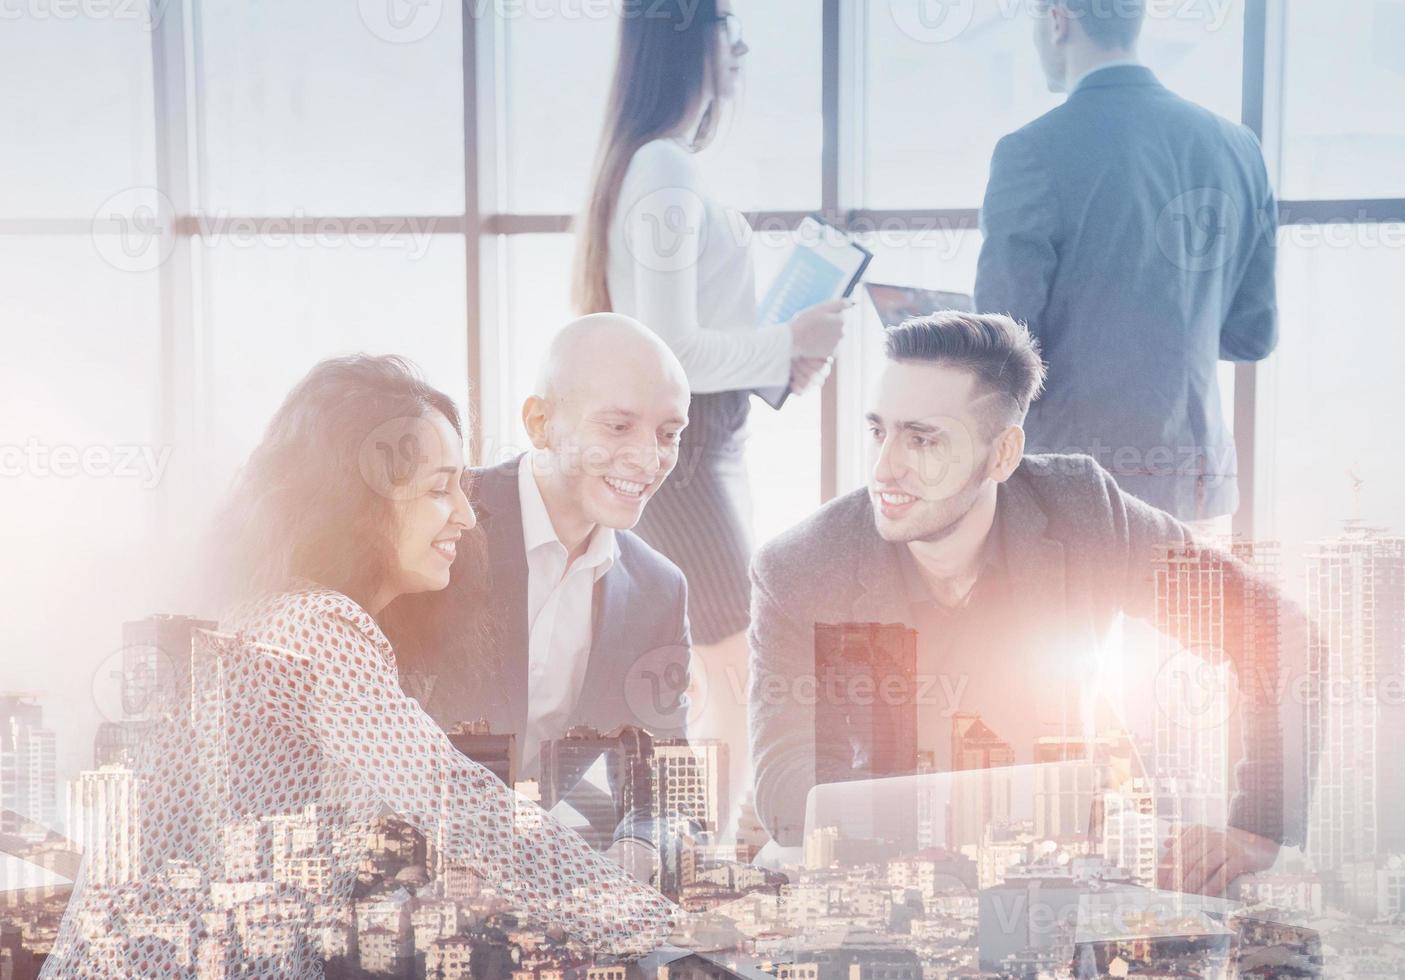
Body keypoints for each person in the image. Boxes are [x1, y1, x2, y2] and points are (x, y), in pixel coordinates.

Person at [42, 356, 680, 978]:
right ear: (354, 501)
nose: (465, 512)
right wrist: (658, 927)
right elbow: (461, 806)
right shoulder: (313, 629)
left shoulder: (280, 611)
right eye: (438, 489)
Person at [748, 313, 1313, 898]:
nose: (884, 468)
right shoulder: (800, 568)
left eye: (923, 439)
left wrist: (1259, 826)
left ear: (1003, 455)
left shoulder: (1083, 511)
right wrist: (944, 852)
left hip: (1060, 867)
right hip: (882, 880)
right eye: (879, 432)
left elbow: (1277, 631)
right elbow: (790, 789)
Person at [572, 0, 850, 823]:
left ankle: (689, 861)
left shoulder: (657, 164)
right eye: (730, 25)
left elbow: (687, 340)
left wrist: (776, 354)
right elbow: (670, 348)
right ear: (691, 36)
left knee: (715, 675)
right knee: (735, 674)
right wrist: (784, 342)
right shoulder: (662, 167)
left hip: (706, 446)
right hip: (688, 461)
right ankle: (702, 871)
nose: (741, 46)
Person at [394, 314, 696, 877]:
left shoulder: (659, 590)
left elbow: (669, 784)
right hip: (406, 877)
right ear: (540, 422)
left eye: (668, 434)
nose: (648, 459)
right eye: (617, 427)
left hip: (552, 891)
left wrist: (645, 846)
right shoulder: (443, 523)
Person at [974, 0, 1278, 522]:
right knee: (1191, 608)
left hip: (1074, 496)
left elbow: (1006, 346)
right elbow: (1253, 335)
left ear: (1058, 19)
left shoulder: (1031, 151)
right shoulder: (1238, 147)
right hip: (1198, 487)